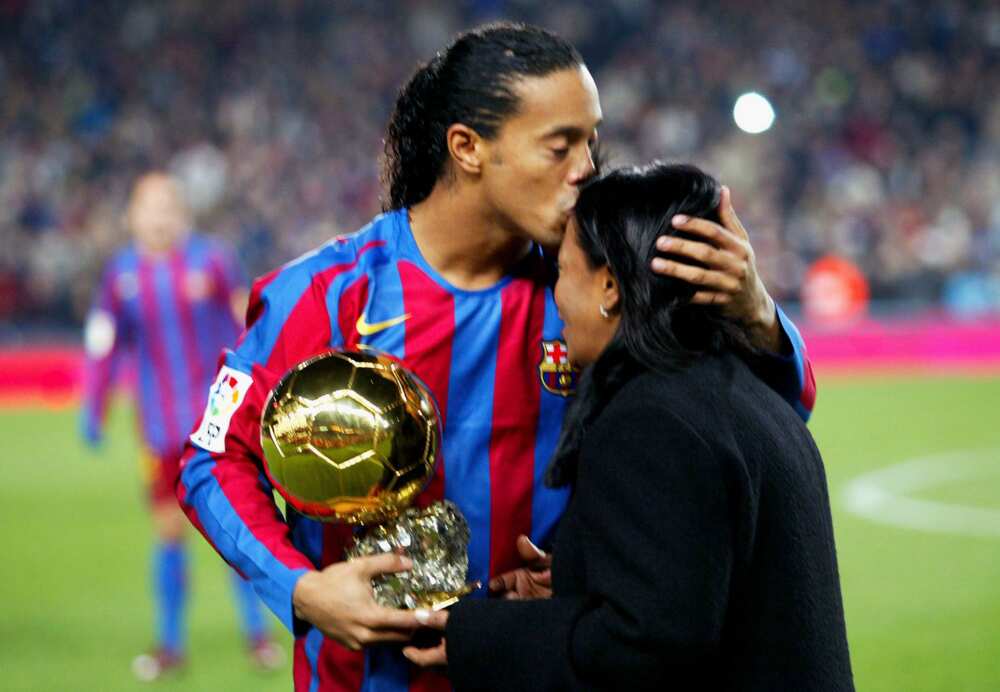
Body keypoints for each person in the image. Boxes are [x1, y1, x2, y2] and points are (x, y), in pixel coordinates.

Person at [177, 23, 816, 691]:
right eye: (559, 146)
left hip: (545, 672)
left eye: (591, 140)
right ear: (468, 148)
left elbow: (766, 421)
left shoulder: (596, 290)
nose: (587, 169)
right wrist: (303, 591)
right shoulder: (327, 295)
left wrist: (759, 314)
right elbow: (212, 457)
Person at [403, 163, 853, 691]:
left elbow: (642, 649)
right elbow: (697, 591)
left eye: (563, 273)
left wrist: (477, 633)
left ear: (611, 286)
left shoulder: (649, 422)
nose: (556, 300)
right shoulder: (756, 399)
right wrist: (581, 576)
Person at [81, 172, 283, 681]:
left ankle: (258, 637)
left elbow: (247, 322)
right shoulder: (120, 274)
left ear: (182, 211)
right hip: (158, 427)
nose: (160, 215)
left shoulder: (212, 259)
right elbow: (105, 343)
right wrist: (95, 404)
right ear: (132, 215)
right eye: (149, 206)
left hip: (217, 426)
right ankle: (170, 645)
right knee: (168, 532)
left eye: (168, 204)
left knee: (234, 528)